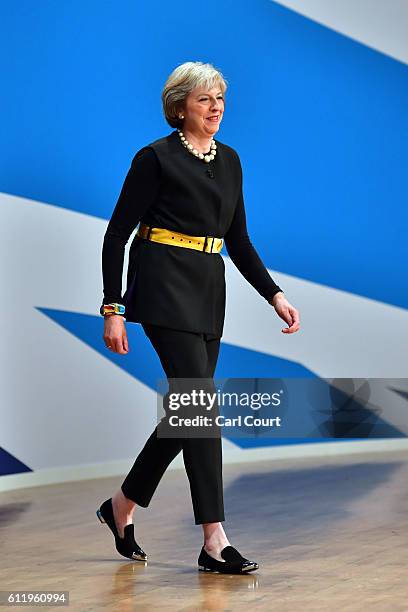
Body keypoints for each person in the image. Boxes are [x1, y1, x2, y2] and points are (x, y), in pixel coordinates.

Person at [96, 61, 300, 574]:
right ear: (180, 105)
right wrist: (113, 307)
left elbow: (239, 240)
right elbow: (117, 233)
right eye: (205, 99)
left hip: (209, 290)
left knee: (187, 411)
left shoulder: (229, 160)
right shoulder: (155, 159)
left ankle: (121, 506)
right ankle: (214, 540)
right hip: (163, 286)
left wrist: (273, 294)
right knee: (202, 408)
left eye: (221, 100)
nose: (216, 108)